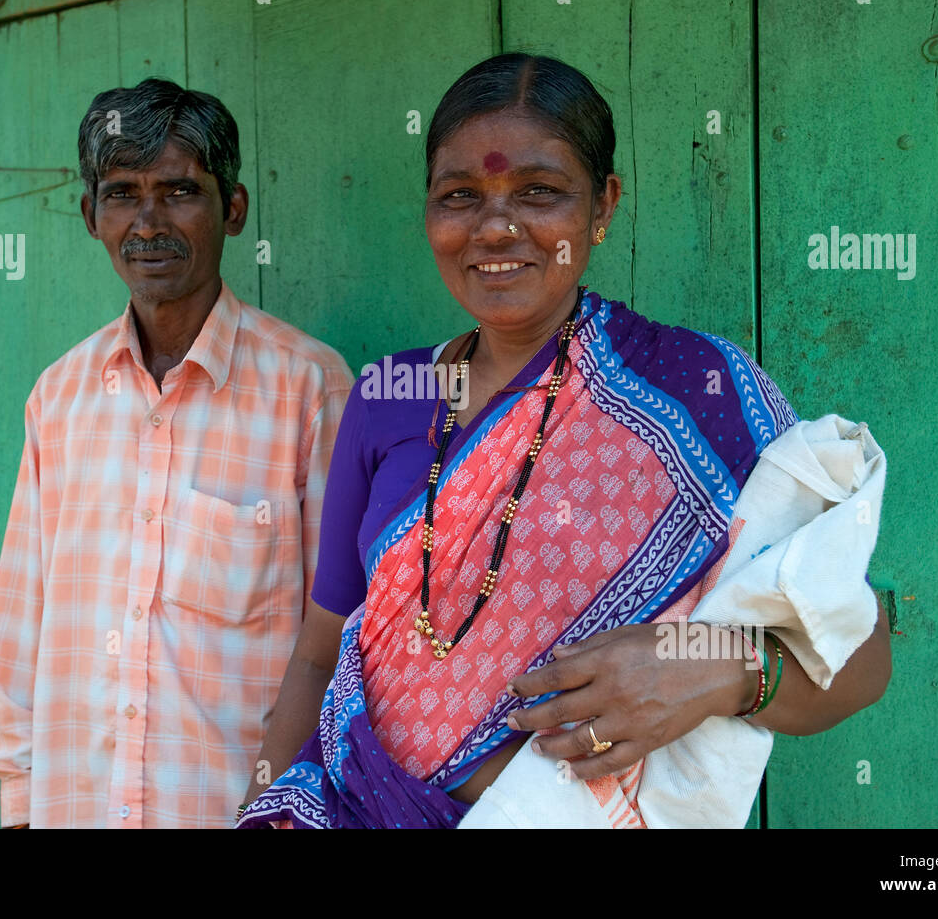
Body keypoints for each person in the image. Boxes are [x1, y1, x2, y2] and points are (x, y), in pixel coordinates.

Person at [237, 54, 891, 828]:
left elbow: (862, 649)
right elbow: (320, 653)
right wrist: (261, 804)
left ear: (603, 205)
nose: (495, 227)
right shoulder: (389, 395)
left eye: (539, 192)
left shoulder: (695, 390)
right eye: (460, 196)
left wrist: (714, 674)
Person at [0, 79, 353, 827]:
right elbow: (21, 622)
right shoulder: (58, 398)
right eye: (121, 194)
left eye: (179, 189)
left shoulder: (309, 389)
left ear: (233, 208)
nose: (147, 222)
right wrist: (18, 804)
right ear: (90, 216)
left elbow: (343, 636)